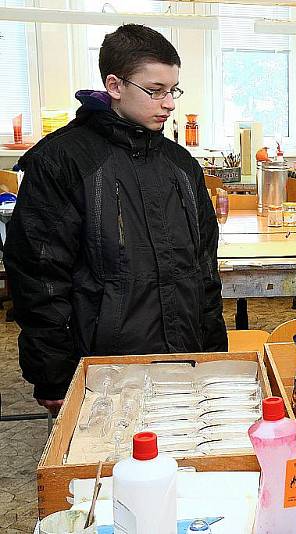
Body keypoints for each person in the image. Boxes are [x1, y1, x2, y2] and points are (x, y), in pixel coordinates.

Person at [5, 24, 227, 415]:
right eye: (155, 90)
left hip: (185, 360)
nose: (169, 103)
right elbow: (39, 280)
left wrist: (211, 356)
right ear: (115, 85)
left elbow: (204, 272)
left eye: (172, 90)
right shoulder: (62, 161)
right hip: (103, 371)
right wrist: (54, 372)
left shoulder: (181, 167)